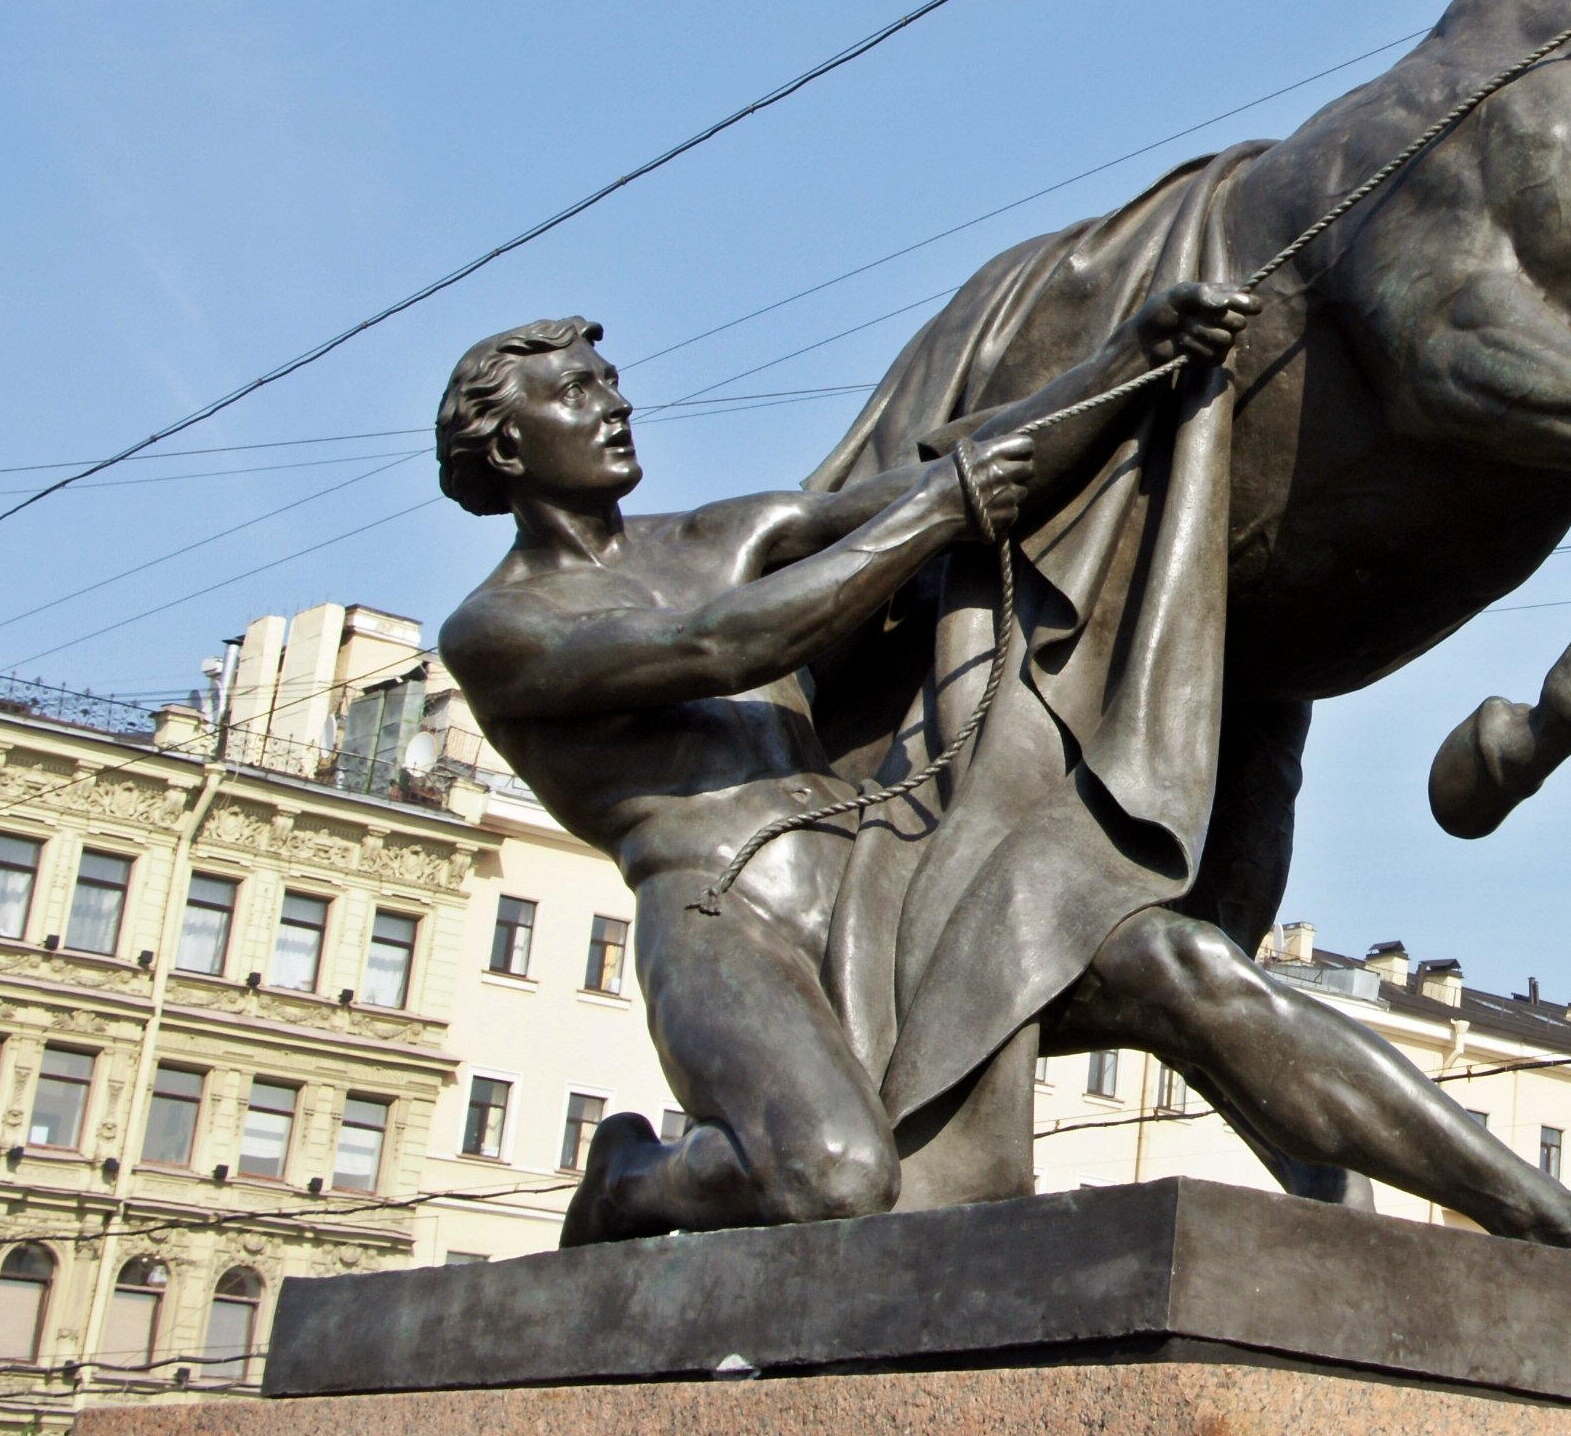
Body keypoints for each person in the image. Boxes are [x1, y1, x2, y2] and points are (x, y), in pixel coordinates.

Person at [435, 281, 1254, 1241]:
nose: (615, 406)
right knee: (833, 1178)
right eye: (577, 391)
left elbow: (946, 481)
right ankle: (631, 1179)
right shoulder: (496, 629)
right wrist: (935, 514)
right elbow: (718, 647)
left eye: (612, 383)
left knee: (1155, 957)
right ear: (506, 448)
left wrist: (1127, 358)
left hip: (867, 873)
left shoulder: (721, 532)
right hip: (718, 907)